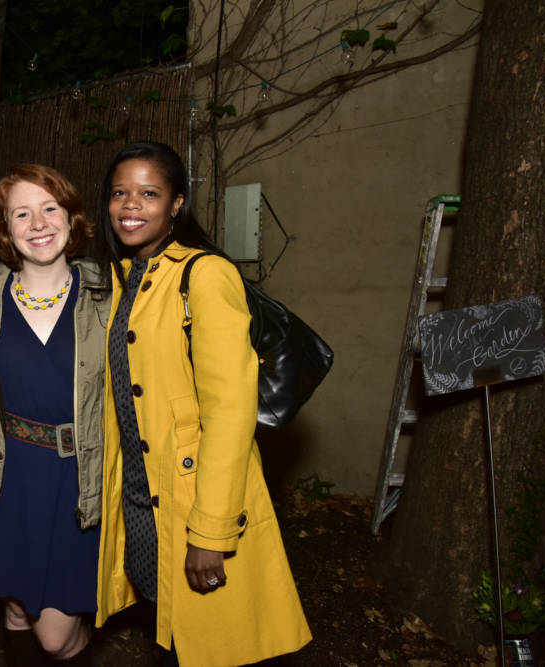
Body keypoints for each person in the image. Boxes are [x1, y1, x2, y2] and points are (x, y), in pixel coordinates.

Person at [93, 141, 312, 666]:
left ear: (176, 204)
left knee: (209, 646)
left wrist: (211, 531)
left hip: (194, 502)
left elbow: (231, 413)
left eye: (149, 193)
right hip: (141, 501)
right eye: (120, 193)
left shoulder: (205, 275)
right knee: (170, 632)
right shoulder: (122, 278)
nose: (131, 205)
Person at [0, 164, 109, 664]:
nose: (38, 224)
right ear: (6, 227)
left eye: (49, 209)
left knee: (55, 637)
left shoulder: (108, 300)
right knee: (17, 611)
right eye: (22, 213)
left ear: (71, 217)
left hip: (77, 481)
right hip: (4, 477)